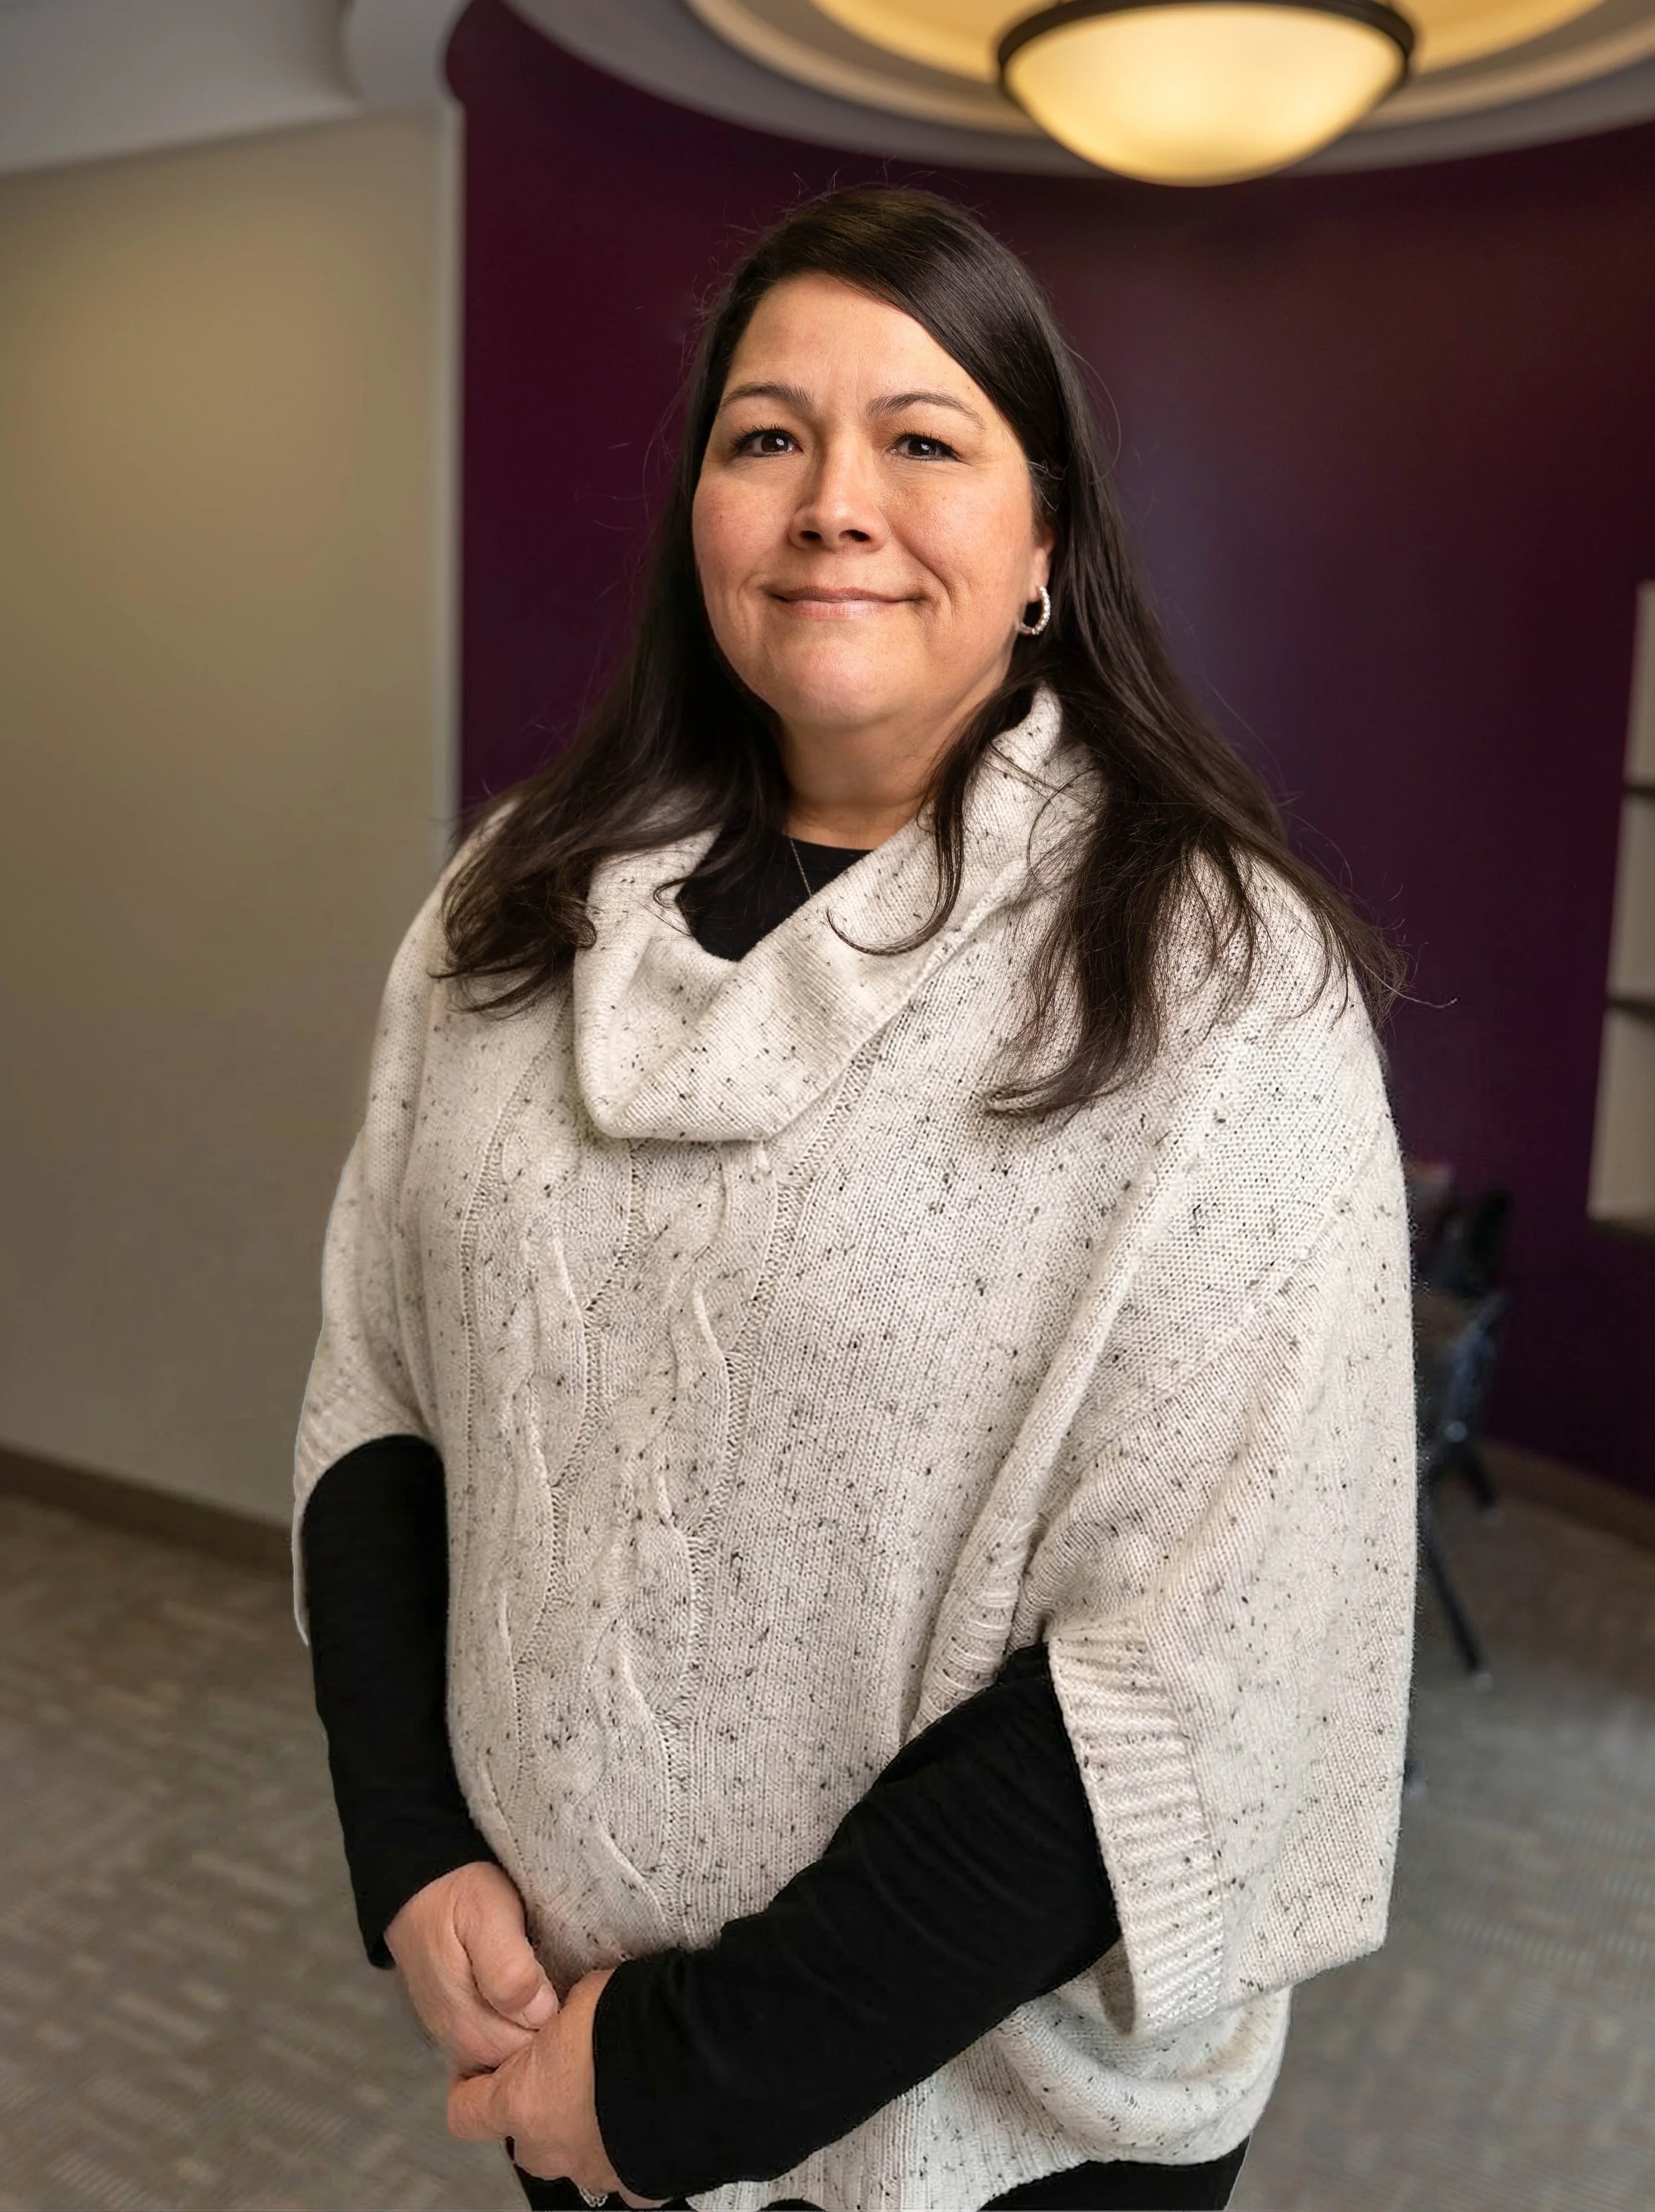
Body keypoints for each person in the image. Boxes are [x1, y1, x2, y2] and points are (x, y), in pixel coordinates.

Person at [295, 187, 1417, 2212]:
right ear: (702, 520)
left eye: (922, 437)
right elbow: (380, 1389)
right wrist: (411, 1839)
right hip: (568, 2037)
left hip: (974, 2132)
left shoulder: (1215, 985)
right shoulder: (504, 913)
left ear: (1045, 545)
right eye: (763, 436)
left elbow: (1183, 1663)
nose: (834, 500)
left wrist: (683, 2075)